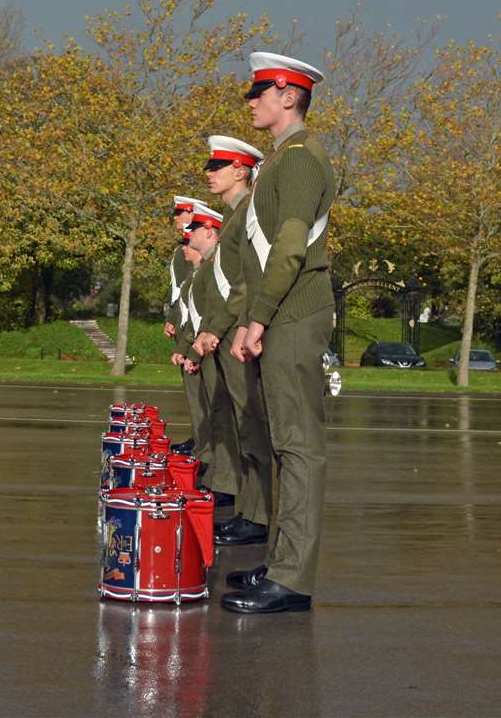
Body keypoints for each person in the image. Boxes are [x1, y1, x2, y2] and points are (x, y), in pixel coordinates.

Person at [223, 52, 336, 614]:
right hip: (280, 314)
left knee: (299, 446)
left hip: (292, 315)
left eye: (259, 90)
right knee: (285, 444)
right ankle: (282, 561)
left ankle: (293, 579)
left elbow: (289, 247)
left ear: (288, 96)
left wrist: (259, 316)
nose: (251, 99)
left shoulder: (298, 160)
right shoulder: (282, 159)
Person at [192, 135, 272, 548]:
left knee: (250, 425)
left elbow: (242, 285)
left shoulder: (246, 213)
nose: (208, 173)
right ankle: (249, 510)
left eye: (216, 166)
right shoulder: (236, 215)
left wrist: (220, 327)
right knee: (240, 424)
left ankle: (257, 516)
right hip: (227, 330)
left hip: (237, 331)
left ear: (240, 170)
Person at [173, 204, 236, 506]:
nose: (188, 237)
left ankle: (224, 481)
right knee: (215, 415)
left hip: (216, 347)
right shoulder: (206, 269)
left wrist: (194, 350)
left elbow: (215, 309)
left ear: (209, 230)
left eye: (193, 230)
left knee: (223, 418)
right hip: (205, 347)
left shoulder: (215, 266)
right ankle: (216, 475)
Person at [164, 195, 205, 455]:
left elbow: (188, 291)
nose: (176, 219)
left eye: (180, 213)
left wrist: (176, 320)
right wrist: (172, 318)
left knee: (198, 389)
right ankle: (198, 437)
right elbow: (177, 289)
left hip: (193, 325)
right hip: (184, 322)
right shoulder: (182, 249)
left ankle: (201, 441)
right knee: (193, 390)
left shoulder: (193, 250)